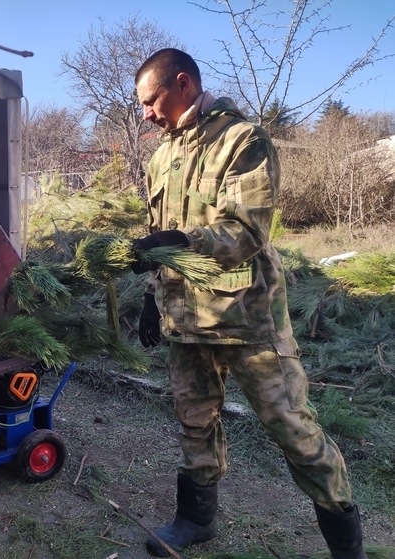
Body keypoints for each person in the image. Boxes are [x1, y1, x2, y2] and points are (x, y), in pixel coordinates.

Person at [131, 48, 367, 559]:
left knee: (293, 428)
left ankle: (347, 545)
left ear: (183, 84)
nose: (146, 113)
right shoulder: (161, 156)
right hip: (186, 318)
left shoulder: (243, 141)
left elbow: (245, 232)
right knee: (193, 419)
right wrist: (153, 296)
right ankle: (195, 520)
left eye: (151, 101)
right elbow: (158, 235)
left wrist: (176, 242)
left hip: (247, 320)